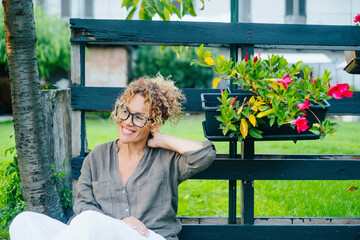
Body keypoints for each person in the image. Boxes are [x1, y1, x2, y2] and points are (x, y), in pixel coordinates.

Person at [9, 75, 216, 240]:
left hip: (150, 236)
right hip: (100, 234)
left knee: (91, 221)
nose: (127, 121)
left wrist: (161, 139)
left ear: (155, 123)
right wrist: (119, 224)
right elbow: (83, 206)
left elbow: (204, 154)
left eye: (140, 117)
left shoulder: (168, 159)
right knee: (24, 221)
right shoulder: (97, 157)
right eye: (125, 111)